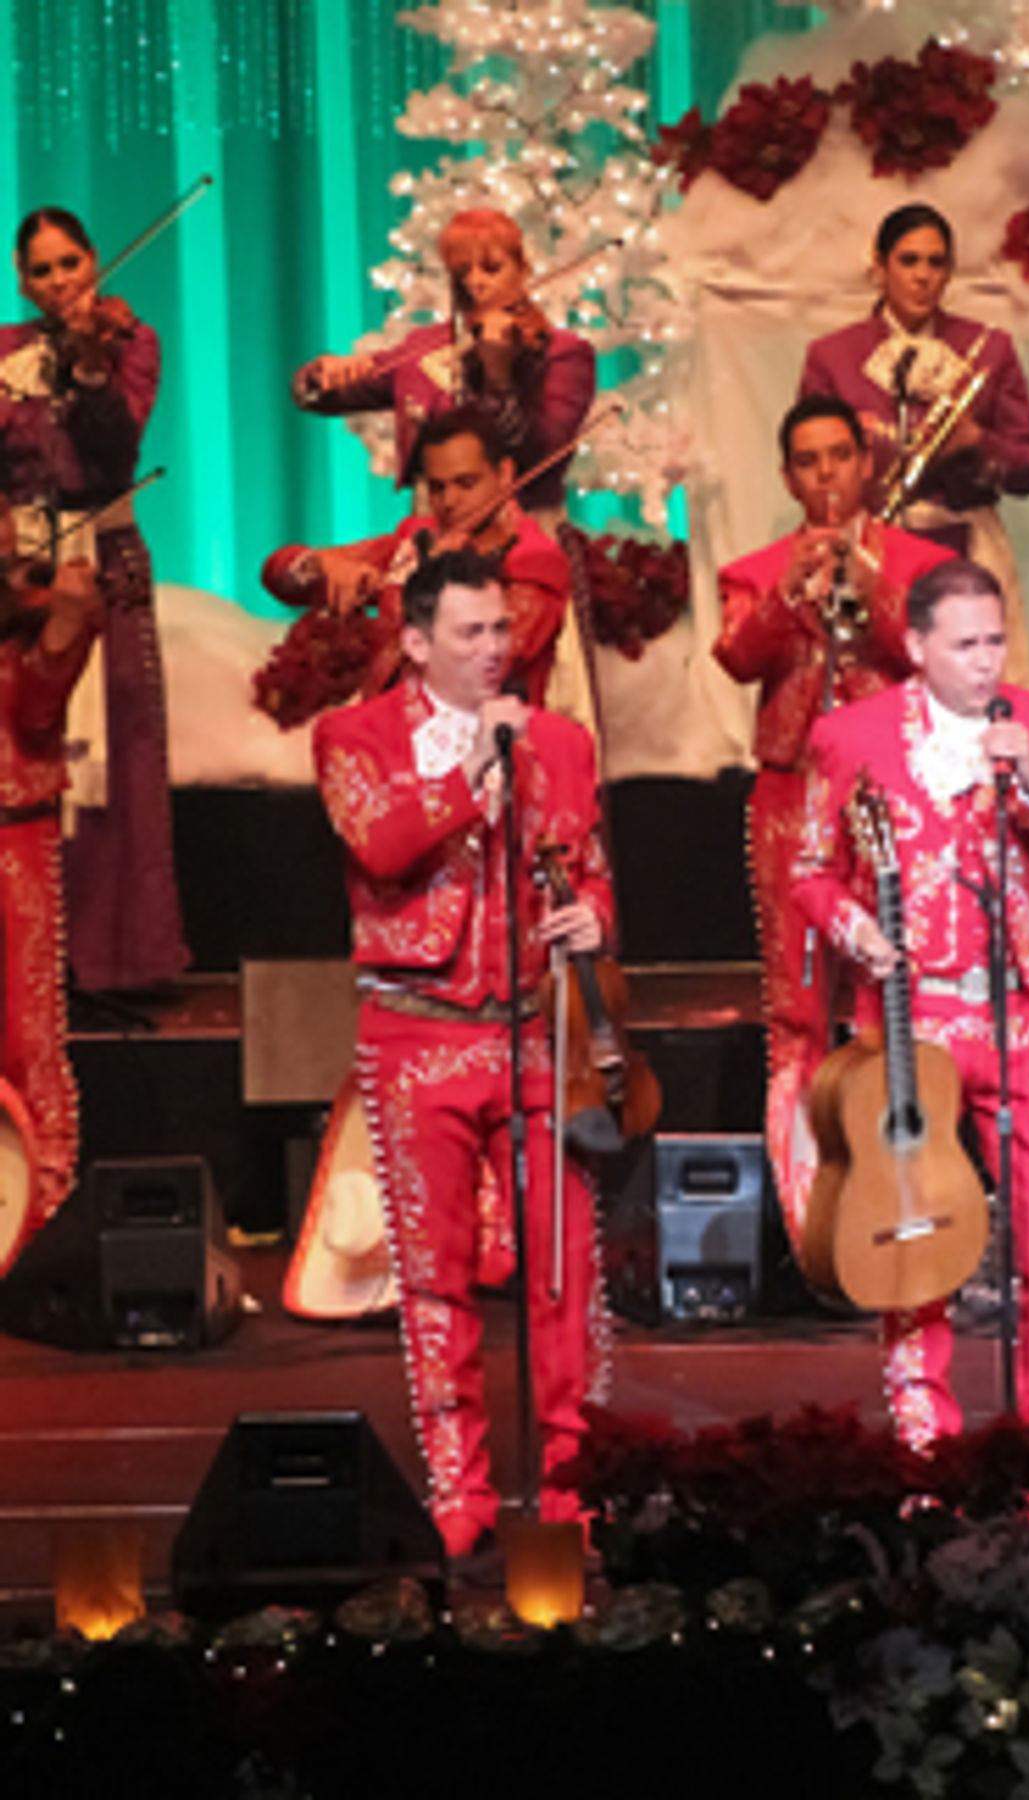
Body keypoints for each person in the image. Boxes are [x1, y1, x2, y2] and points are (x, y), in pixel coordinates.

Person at [313, 546, 614, 1558]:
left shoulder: (562, 744)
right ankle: (460, 1490)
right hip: (418, 1033)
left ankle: (574, 1479)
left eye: (501, 631)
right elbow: (383, 843)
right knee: (435, 1280)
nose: (495, 651)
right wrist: (472, 765)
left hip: (537, 1030)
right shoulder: (352, 738)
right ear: (414, 643)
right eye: (471, 634)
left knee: (561, 1266)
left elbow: (594, 870)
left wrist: (591, 921)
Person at [792, 559, 1029, 1448]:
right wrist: (856, 927)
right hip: (908, 1014)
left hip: (1017, 1011)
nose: (985, 661)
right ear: (919, 647)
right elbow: (809, 871)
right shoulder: (853, 737)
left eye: (996, 640)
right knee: (911, 1234)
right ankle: (923, 1438)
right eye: (965, 644)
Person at [713, 395, 953, 1245]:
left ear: (865, 463)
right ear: (788, 476)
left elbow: (932, 650)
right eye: (808, 462)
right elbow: (739, 655)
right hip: (792, 796)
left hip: (891, 790)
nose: (826, 476)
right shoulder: (754, 568)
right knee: (798, 1006)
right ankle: (810, 1214)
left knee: (896, 997)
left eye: (840, 457)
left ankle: (897, 1198)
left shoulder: (922, 564)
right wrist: (788, 594)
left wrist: (870, 584)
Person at [0, 206, 188, 993]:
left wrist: (86, 368)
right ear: (21, 279)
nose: (57, 283)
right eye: (40, 271)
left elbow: (116, 447)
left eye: (69, 264)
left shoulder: (128, 342)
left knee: (114, 753)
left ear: (95, 260)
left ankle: (115, 959)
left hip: (103, 559)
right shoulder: (6, 354)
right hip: (19, 572)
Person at [799, 203, 1029, 686]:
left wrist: (977, 443)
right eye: (909, 261)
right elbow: (809, 468)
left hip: (967, 546)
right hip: (869, 551)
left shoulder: (989, 348)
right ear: (880, 264)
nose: (923, 277)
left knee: (973, 697)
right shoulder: (832, 356)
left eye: (936, 263)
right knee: (874, 695)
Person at [259, 406, 569, 722]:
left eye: (466, 483)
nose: (449, 502)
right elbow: (277, 572)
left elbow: (471, 666)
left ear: (504, 475)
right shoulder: (417, 539)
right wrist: (320, 569)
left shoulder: (536, 562)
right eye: (438, 487)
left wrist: (437, 580)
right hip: (384, 736)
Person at [293, 207, 596, 522]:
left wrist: (498, 373)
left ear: (522, 270)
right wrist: (321, 377)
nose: (475, 282)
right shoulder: (426, 346)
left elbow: (537, 452)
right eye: (462, 271)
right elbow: (327, 396)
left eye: (491, 268)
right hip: (434, 523)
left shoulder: (563, 353)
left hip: (523, 524)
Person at [0, 512, 102, 1238]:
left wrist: (65, 627)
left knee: (29, 1038)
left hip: (14, 833)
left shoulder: (25, 624)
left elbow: (36, 716)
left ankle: (40, 1225)